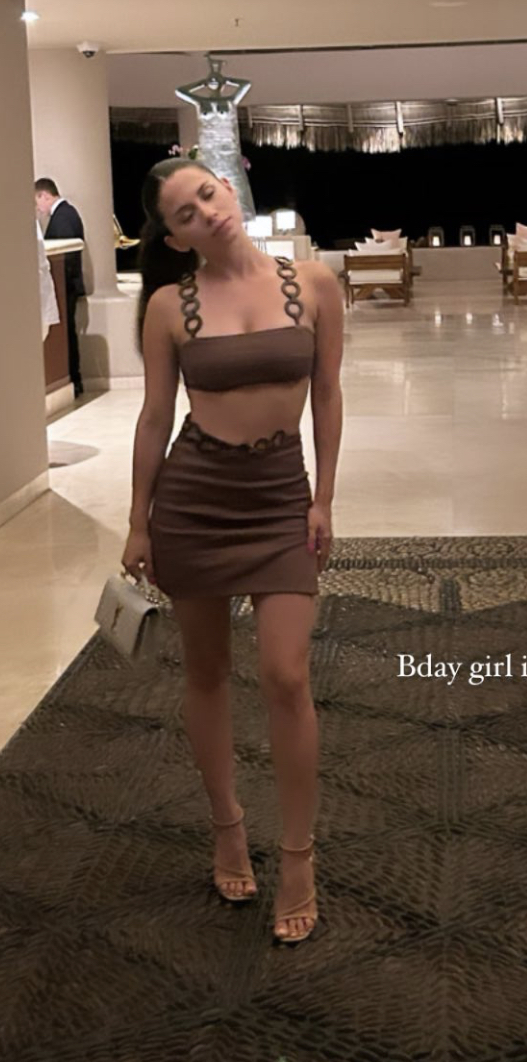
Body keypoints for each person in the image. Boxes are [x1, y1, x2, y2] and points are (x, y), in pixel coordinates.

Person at [121, 158, 343, 945]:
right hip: (194, 502)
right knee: (207, 672)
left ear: (226, 188)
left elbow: (327, 394)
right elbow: (154, 417)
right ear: (175, 239)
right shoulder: (166, 307)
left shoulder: (313, 283)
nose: (206, 212)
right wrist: (139, 520)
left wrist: (322, 499)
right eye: (184, 214)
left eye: (206, 194)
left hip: (279, 499)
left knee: (286, 674)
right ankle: (226, 827)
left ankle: (297, 855)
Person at [35, 178, 86, 397]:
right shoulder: (67, 212)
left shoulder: (63, 216)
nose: (38, 209)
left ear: (44, 195)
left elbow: (69, 259)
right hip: (69, 286)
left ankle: (75, 379)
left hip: (67, 287)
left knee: (68, 335)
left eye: (37, 202)